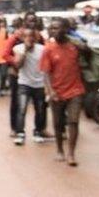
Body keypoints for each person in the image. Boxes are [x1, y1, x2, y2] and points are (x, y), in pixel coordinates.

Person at [40, 18, 88, 166]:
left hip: (75, 90)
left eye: (57, 28)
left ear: (66, 29)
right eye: (52, 28)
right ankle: (60, 150)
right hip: (57, 91)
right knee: (58, 122)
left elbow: (88, 56)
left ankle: (71, 154)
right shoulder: (48, 48)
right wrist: (51, 91)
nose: (54, 31)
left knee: (73, 121)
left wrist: (83, 47)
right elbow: (46, 73)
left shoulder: (75, 46)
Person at [12, 28, 47, 145]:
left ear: (35, 38)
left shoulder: (42, 49)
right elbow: (18, 65)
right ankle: (20, 133)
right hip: (24, 83)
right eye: (26, 36)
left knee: (40, 110)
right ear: (23, 38)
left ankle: (38, 132)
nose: (29, 39)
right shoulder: (18, 48)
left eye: (31, 36)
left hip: (39, 83)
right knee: (21, 109)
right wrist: (25, 51)